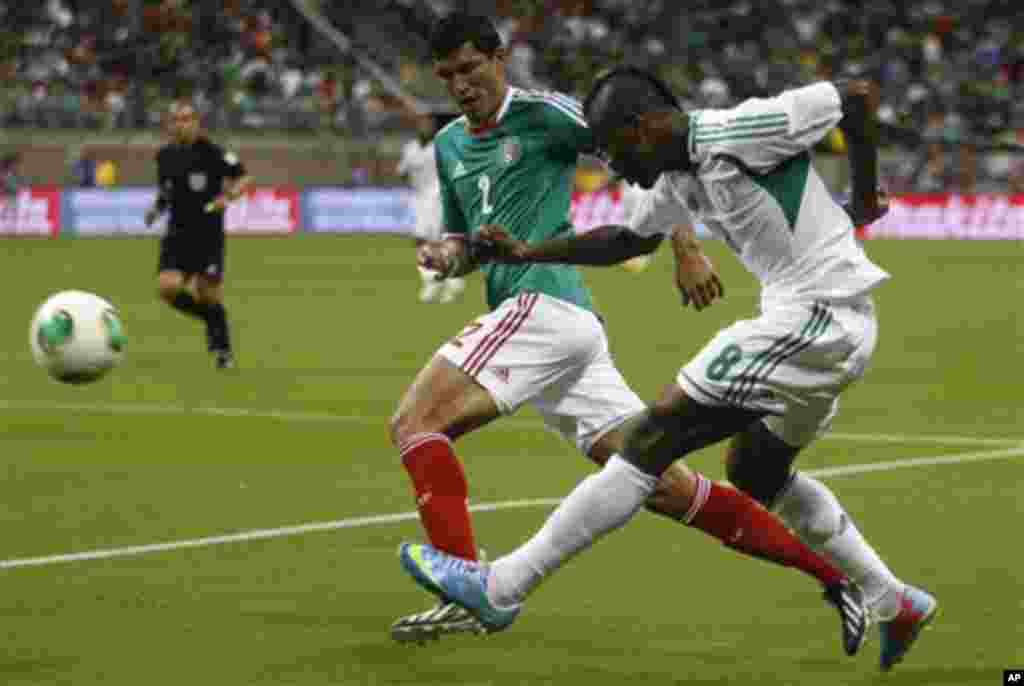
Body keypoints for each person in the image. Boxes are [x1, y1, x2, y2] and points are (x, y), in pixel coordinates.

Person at [398, 67, 937, 672]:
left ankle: (500, 588)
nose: (620, 172)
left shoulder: (743, 128)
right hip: (817, 327)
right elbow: (627, 241)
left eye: (618, 153)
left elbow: (857, 96)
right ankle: (892, 600)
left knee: (652, 438)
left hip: (819, 314)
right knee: (755, 470)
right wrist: (529, 251)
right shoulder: (675, 177)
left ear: (644, 127)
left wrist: (863, 195)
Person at [145, 104, 252, 370]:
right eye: (176, 120)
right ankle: (212, 320)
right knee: (167, 287)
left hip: (208, 234)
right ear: (170, 125)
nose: (181, 124)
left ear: (196, 123)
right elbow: (166, 191)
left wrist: (228, 197)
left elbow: (244, 178)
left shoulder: (213, 152)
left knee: (208, 294)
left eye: (186, 119)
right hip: (177, 233)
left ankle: (223, 351)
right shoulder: (164, 156)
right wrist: (156, 209)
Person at [397, 110, 466, 303]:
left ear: (434, 127)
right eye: (422, 123)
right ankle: (448, 280)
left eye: (428, 124)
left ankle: (438, 280)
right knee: (427, 241)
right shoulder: (410, 149)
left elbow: (456, 169)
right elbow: (402, 171)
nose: (424, 127)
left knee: (426, 240)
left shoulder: (441, 146)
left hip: (437, 198)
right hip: (419, 199)